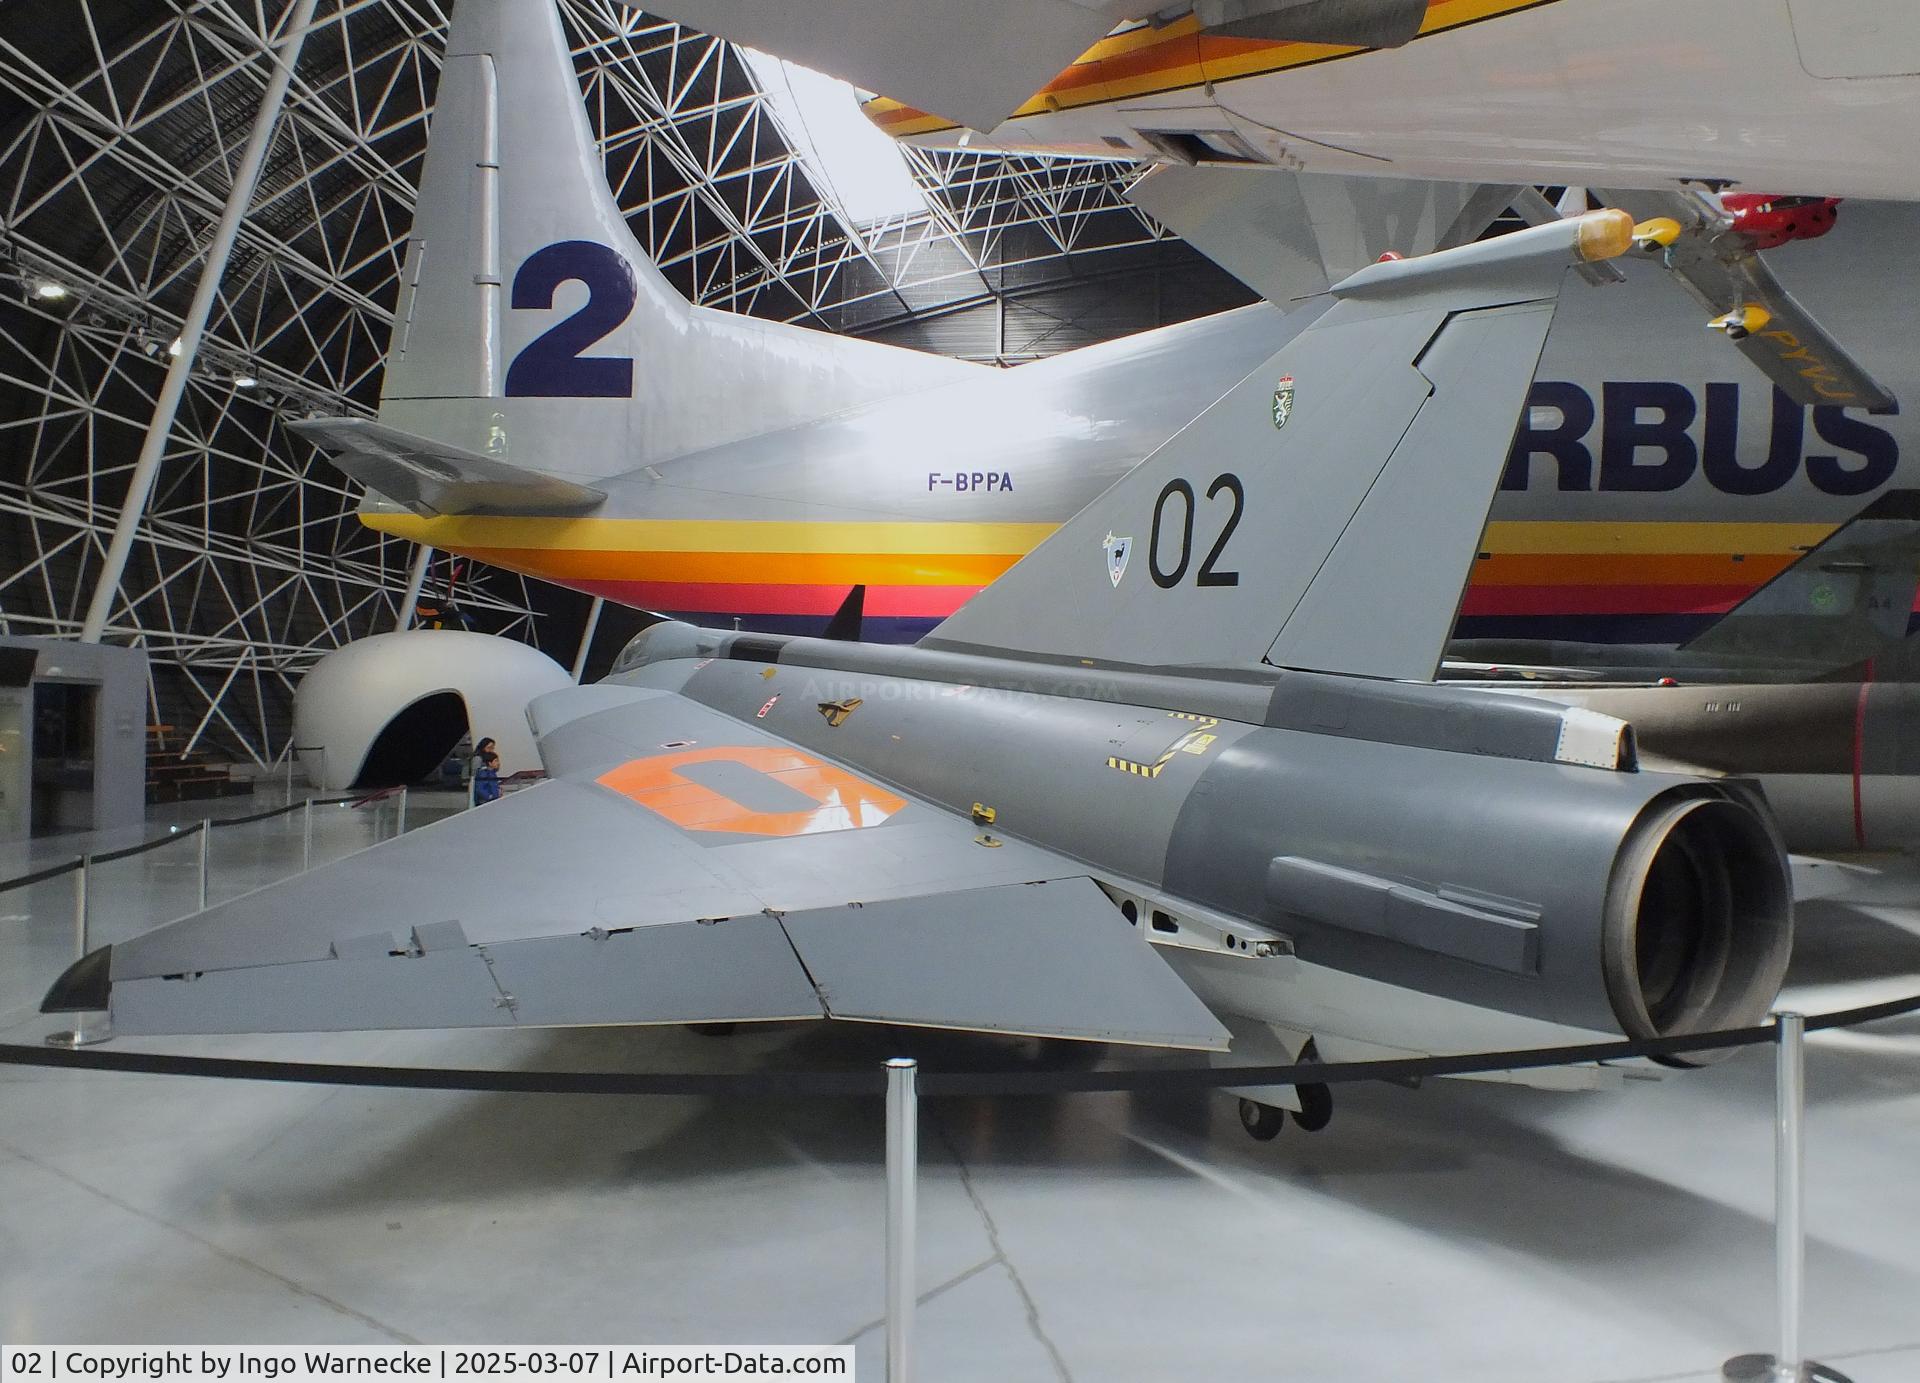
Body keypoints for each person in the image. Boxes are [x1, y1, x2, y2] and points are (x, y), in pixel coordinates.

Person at [471, 737, 501, 806]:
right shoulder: (478, 758)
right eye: (489, 747)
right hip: (480, 787)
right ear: (483, 747)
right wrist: (488, 796)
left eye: (492, 748)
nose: (491, 750)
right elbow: (475, 775)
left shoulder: (490, 757)